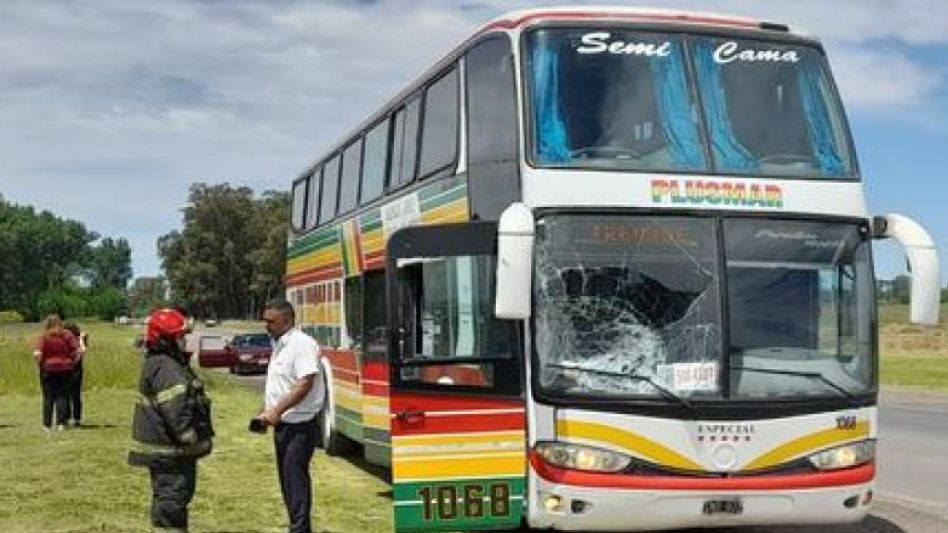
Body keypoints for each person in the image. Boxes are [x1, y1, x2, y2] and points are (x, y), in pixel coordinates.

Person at [129, 308, 214, 533]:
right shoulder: (166, 368)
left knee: (172, 503)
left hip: (170, 453)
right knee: (171, 506)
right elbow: (176, 409)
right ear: (165, 340)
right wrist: (190, 438)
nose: (183, 340)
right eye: (179, 336)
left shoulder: (164, 363)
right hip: (171, 454)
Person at [255, 298, 324, 533]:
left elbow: (305, 383)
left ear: (287, 320)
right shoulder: (281, 344)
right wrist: (266, 410)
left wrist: (276, 410)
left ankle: (300, 530)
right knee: (287, 483)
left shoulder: (301, 344)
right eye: (265, 321)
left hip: (300, 426)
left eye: (271, 321)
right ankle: (297, 527)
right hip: (284, 425)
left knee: (295, 482)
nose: (267, 326)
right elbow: (282, 384)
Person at [33, 314, 78, 431]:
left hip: (48, 368)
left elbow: (37, 353)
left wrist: (40, 364)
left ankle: (47, 425)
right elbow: (78, 351)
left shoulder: (44, 336)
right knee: (62, 397)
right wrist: (72, 362)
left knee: (48, 397)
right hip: (65, 368)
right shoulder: (67, 335)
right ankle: (61, 423)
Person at [63, 322, 87, 427]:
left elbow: (82, 351)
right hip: (75, 369)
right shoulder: (76, 341)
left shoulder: (66, 340)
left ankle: (67, 417)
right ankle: (76, 418)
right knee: (75, 395)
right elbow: (82, 351)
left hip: (68, 369)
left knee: (68, 395)